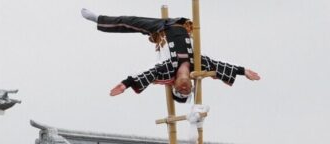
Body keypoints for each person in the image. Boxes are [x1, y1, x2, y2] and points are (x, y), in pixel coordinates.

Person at [80, 9, 260, 102]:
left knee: (129, 22)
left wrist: (125, 84)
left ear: (173, 85)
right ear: (191, 85)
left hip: (160, 29)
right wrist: (244, 71)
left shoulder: (167, 71)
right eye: (187, 91)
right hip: (182, 24)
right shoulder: (199, 65)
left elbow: (147, 74)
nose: (184, 89)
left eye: (179, 92)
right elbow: (220, 66)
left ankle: (98, 19)